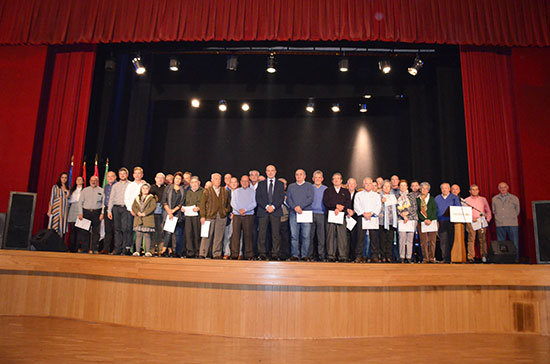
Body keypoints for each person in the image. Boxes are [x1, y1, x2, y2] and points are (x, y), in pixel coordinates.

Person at [255, 165, 285, 260]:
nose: (270, 172)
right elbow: (258, 198)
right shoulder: (261, 184)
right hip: (263, 211)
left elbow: (281, 197)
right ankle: (262, 253)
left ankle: (275, 254)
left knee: (276, 234)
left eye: (272, 171)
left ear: (275, 172)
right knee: (262, 234)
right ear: (266, 172)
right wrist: (267, 206)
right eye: (268, 171)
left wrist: (273, 207)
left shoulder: (280, 184)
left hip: (275, 212)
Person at [199, 173, 231, 259]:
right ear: (212, 180)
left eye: (219, 179)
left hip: (221, 216)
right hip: (209, 216)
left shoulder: (225, 191)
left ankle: (216, 253)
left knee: (219, 236)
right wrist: (202, 216)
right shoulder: (207, 191)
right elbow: (202, 204)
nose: (218, 181)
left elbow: (228, 204)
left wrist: (225, 211)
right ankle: (203, 253)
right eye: (216, 179)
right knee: (207, 235)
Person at [286, 169, 314, 261]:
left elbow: (310, 198)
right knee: (294, 235)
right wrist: (295, 207)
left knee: (306, 235)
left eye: (300, 174)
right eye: (297, 174)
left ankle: (304, 255)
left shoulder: (309, 186)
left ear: (304, 176)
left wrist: (300, 207)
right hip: (294, 213)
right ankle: (295, 254)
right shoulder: (291, 186)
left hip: (305, 212)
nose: (298, 176)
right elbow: (288, 199)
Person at [323, 173, 351, 262]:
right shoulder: (328, 190)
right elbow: (326, 202)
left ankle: (342, 256)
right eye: (334, 179)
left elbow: (348, 202)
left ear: (341, 180)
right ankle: (330, 255)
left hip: (341, 215)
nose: (336, 180)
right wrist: (335, 206)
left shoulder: (345, 191)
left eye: (338, 178)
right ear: (332, 181)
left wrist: (341, 208)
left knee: (342, 236)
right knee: (330, 236)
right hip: (331, 214)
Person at [354, 177, 382, 263]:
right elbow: (356, 205)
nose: (368, 185)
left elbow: (379, 206)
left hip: (373, 218)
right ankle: (359, 256)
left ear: (372, 185)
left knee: (374, 238)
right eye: (366, 183)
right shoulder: (358, 194)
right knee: (360, 238)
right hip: (362, 218)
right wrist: (364, 213)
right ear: (363, 184)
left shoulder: (376, 195)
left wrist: (371, 213)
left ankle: (374, 256)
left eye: (369, 183)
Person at [492, 182, 520, 262]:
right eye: (501, 187)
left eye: (504, 187)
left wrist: (510, 216)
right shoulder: (494, 199)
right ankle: (503, 260)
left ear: (507, 188)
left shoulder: (514, 198)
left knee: (514, 243)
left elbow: (517, 210)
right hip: (500, 224)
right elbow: (494, 211)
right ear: (498, 189)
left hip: (512, 223)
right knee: (501, 244)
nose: (503, 189)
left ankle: (515, 259)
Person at [230, 175, 256, 260]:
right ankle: (234, 254)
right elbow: (233, 203)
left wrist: (245, 210)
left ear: (249, 182)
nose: (244, 183)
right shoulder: (236, 191)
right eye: (243, 181)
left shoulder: (253, 191)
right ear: (240, 182)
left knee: (248, 236)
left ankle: (248, 255)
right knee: (235, 235)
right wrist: (239, 210)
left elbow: (254, 203)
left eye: (246, 181)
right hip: (237, 215)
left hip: (248, 215)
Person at [465, 184, 493, 263]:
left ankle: (484, 256)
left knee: (482, 239)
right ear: (470, 191)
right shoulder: (466, 200)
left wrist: (488, 219)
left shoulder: (483, 199)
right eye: (473, 190)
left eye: (476, 189)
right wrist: (470, 218)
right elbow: (464, 212)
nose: (474, 191)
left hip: (481, 221)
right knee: (471, 239)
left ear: (478, 191)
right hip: (471, 222)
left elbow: (488, 210)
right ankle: (471, 257)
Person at [77, 175, 104, 253]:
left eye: (95, 180)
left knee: (96, 232)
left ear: (97, 182)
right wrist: (80, 213)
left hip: (97, 213)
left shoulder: (101, 190)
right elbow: (80, 203)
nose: (93, 182)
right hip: (86, 212)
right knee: (85, 231)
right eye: (92, 180)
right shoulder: (85, 190)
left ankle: (94, 249)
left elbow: (103, 203)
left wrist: (102, 213)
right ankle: (85, 249)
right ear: (89, 181)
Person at [435, 182, 461, 263]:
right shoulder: (437, 198)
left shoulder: (454, 197)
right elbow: (435, 210)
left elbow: (458, 208)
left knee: (451, 240)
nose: (444, 189)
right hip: (441, 221)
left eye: (446, 188)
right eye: (442, 188)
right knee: (443, 240)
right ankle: (445, 258)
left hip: (451, 221)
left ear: (449, 189)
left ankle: (451, 257)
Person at [107, 168, 130, 255]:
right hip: (116, 208)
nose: (122, 175)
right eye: (121, 174)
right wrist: (109, 210)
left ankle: (124, 249)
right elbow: (111, 198)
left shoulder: (130, 185)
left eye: (124, 174)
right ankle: (117, 249)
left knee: (125, 229)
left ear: (127, 175)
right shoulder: (115, 185)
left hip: (126, 208)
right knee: (117, 229)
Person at [162, 172, 185, 257]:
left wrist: (173, 211)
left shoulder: (182, 190)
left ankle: (171, 250)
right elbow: (164, 200)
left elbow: (181, 203)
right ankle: (165, 249)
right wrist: (169, 211)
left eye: (179, 179)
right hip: (167, 212)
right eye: (176, 178)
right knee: (168, 232)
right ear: (174, 179)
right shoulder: (168, 188)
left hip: (177, 213)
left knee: (174, 233)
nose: (177, 180)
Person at [124, 167, 146, 253]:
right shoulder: (130, 185)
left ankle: (139, 248)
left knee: (140, 230)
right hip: (131, 211)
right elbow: (127, 198)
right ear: (133, 175)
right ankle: (128, 248)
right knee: (129, 229)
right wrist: (131, 209)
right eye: (136, 173)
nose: (137, 175)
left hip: (142, 212)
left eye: (139, 173)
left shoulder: (144, 185)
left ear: (142, 175)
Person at [131, 183, 156, 257]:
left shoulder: (151, 198)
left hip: (147, 218)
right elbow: (134, 206)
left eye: (146, 188)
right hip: (138, 218)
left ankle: (147, 251)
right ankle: (137, 251)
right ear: (141, 190)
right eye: (143, 188)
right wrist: (137, 212)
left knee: (147, 235)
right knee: (138, 234)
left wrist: (145, 213)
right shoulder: (137, 198)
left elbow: (152, 207)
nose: (145, 190)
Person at [396, 180, 418, 263]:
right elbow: (396, 207)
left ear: (407, 187)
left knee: (410, 239)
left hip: (411, 219)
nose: (402, 187)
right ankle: (401, 256)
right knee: (402, 239)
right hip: (401, 220)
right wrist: (403, 215)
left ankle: (409, 257)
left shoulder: (411, 196)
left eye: (404, 185)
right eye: (401, 186)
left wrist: (407, 215)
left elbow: (414, 207)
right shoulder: (397, 196)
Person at [417, 182, 438, 263]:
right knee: (424, 241)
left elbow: (434, 210)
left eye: (426, 188)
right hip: (421, 223)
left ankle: (432, 257)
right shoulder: (417, 199)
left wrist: (430, 219)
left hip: (432, 222)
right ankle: (425, 257)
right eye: (423, 188)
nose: (424, 190)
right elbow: (417, 211)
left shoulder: (432, 199)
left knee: (432, 241)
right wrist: (424, 219)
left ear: (428, 190)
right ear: (420, 189)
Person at [183, 176, 203, 258]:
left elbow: (206, 203)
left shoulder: (203, 191)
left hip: (197, 215)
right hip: (188, 215)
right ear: (190, 184)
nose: (194, 184)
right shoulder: (187, 192)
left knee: (197, 233)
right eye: (192, 182)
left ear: (199, 183)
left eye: (196, 182)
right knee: (188, 233)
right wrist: (182, 208)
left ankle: (198, 251)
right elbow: (183, 202)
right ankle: (190, 251)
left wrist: (199, 207)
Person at [310, 170, 328, 261]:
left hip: (322, 214)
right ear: (313, 179)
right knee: (310, 236)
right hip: (311, 214)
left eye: (319, 177)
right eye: (315, 177)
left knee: (321, 237)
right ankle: (310, 256)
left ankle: (321, 256)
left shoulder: (326, 189)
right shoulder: (309, 188)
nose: (317, 179)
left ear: (322, 179)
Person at [378, 180, 397, 263]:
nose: (386, 188)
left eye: (388, 186)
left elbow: (397, 208)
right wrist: (381, 202)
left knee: (390, 239)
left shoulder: (393, 196)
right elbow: (375, 208)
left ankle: (388, 256)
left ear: (390, 188)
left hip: (391, 221)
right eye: (384, 186)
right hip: (381, 221)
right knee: (382, 239)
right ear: (382, 188)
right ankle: (382, 256)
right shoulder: (378, 196)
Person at [47, 172, 70, 238]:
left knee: (62, 227)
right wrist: (49, 210)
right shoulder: (55, 187)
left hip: (64, 211)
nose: (64, 179)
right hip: (56, 209)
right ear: (60, 178)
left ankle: (59, 243)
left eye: (65, 178)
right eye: (62, 177)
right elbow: (51, 199)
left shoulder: (68, 188)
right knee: (55, 226)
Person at [100, 171, 117, 254]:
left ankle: (115, 249)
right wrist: (103, 212)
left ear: (115, 177)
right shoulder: (106, 187)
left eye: (112, 176)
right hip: (107, 209)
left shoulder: (117, 185)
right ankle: (106, 248)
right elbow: (104, 200)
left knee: (116, 230)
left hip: (115, 209)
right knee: (108, 230)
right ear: (106, 178)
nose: (110, 178)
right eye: (108, 176)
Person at [149, 172, 166, 256]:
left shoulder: (166, 189)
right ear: (155, 179)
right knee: (153, 231)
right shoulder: (151, 188)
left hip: (163, 212)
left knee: (161, 231)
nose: (160, 179)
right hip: (152, 213)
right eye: (158, 178)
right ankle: (151, 250)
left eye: (162, 178)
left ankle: (160, 250)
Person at [222, 177, 239, 259]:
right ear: (229, 183)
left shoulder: (241, 192)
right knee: (227, 235)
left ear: (238, 183)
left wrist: (236, 213)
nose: (233, 184)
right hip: (228, 217)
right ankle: (226, 252)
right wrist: (229, 214)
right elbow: (223, 206)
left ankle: (239, 253)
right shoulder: (225, 193)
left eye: (235, 182)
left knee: (239, 236)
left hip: (238, 217)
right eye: (232, 182)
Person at [67, 176, 84, 252]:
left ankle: (77, 247)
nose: (79, 181)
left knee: (79, 230)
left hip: (80, 209)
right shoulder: (72, 190)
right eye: (77, 179)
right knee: (72, 229)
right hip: (73, 208)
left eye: (80, 179)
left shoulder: (84, 191)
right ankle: (71, 248)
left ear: (83, 181)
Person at [346, 178, 361, 262]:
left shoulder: (359, 194)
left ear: (356, 185)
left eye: (353, 184)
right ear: (347, 185)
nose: (351, 185)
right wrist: (347, 211)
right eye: (349, 184)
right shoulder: (344, 193)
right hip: (346, 217)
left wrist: (354, 211)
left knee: (355, 238)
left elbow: (361, 205)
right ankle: (346, 255)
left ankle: (353, 256)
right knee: (346, 238)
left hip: (355, 218)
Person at [279, 178, 291, 260]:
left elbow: (292, 206)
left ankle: (285, 255)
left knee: (285, 238)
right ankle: (275, 254)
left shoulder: (288, 195)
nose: (283, 185)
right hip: (275, 219)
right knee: (275, 238)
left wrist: (287, 201)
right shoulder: (273, 194)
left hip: (286, 219)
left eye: (284, 184)